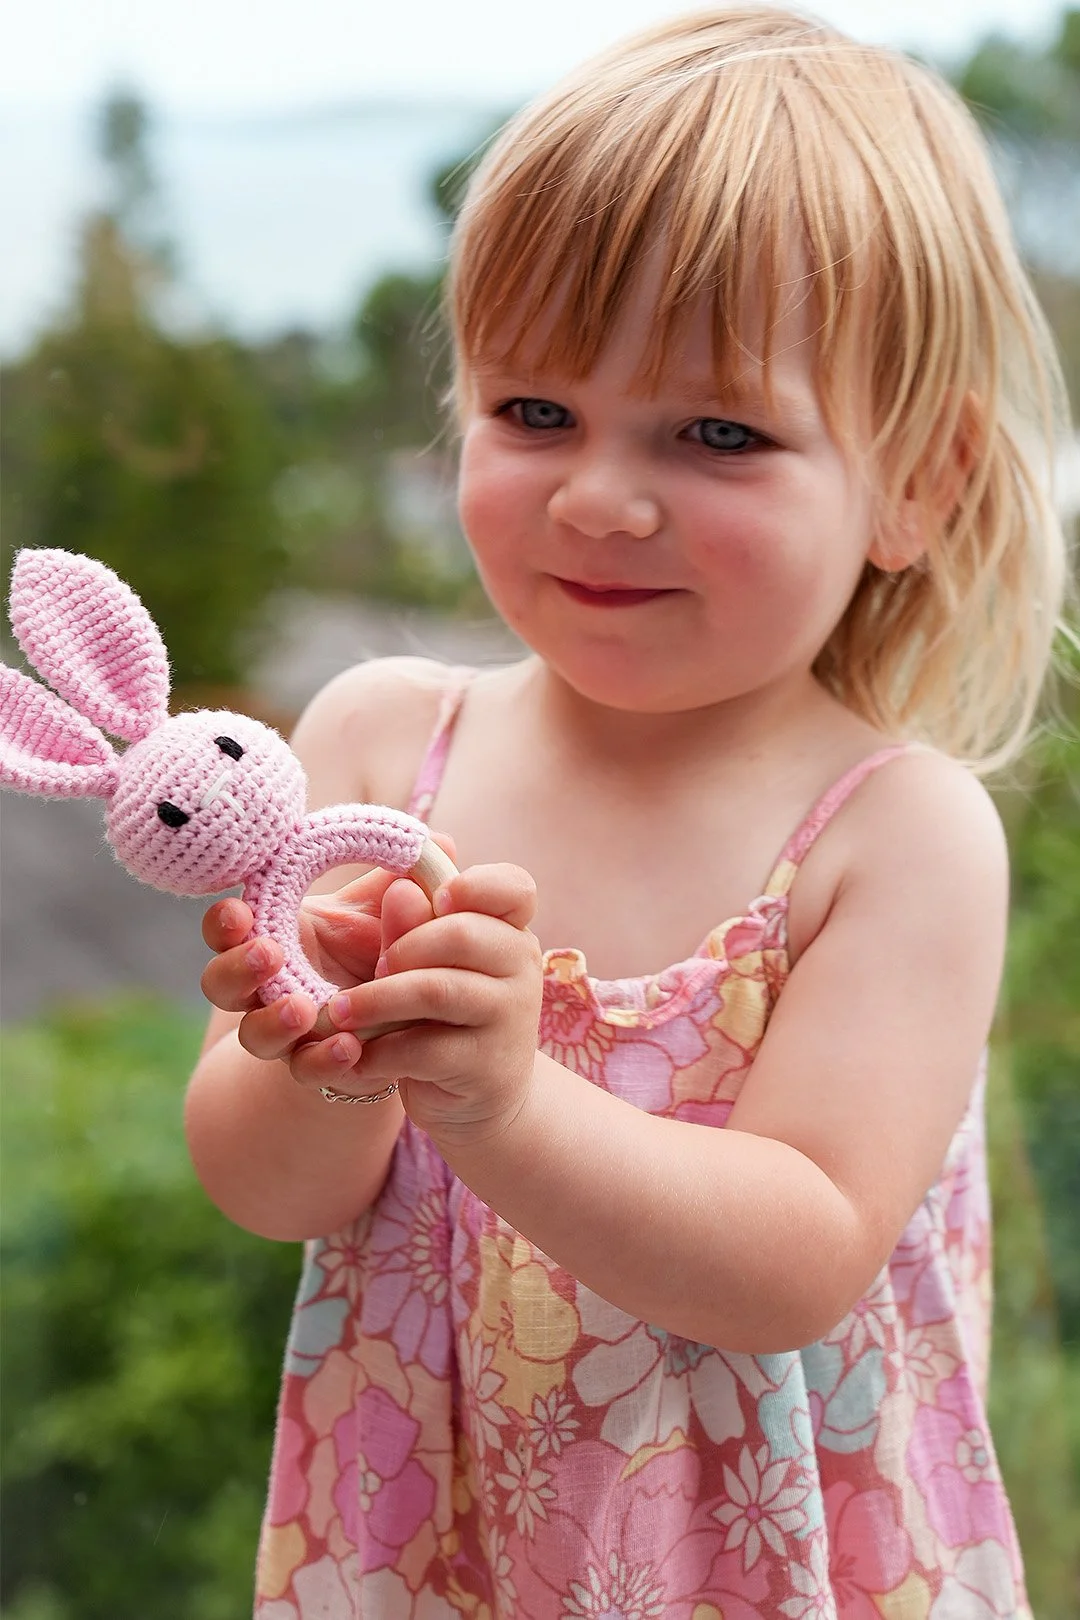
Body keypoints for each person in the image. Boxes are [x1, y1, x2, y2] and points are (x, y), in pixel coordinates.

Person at [186, 7, 1072, 1616]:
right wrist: (318, 1064)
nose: (598, 496)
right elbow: (267, 1194)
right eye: (536, 414)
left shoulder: (896, 830)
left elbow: (796, 1259)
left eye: (718, 433)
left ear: (916, 486)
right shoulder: (380, 749)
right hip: (428, 1553)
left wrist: (505, 1103)